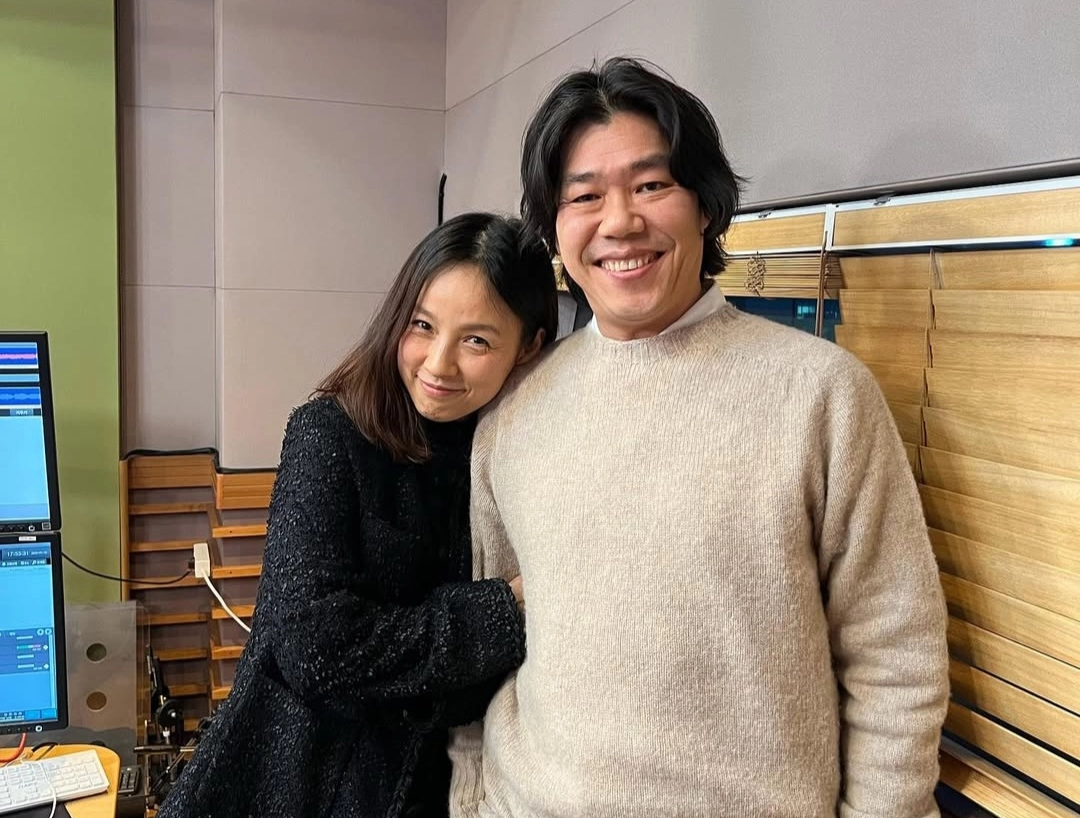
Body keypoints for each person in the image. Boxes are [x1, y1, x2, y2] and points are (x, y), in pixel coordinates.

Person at [448, 58, 949, 818]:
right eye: (584, 196)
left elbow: (895, 655)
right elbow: (485, 639)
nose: (620, 222)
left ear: (706, 206)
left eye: (651, 185)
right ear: (554, 227)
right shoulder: (514, 408)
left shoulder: (820, 394)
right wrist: (470, 799)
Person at [158, 212, 558, 818]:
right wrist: (501, 611)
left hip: (444, 789)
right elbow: (312, 645)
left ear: (528, 346)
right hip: (296, 785)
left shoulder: (510, 455)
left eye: (476, 340)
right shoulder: (328, 433)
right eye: (422, 326)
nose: (438, 363)